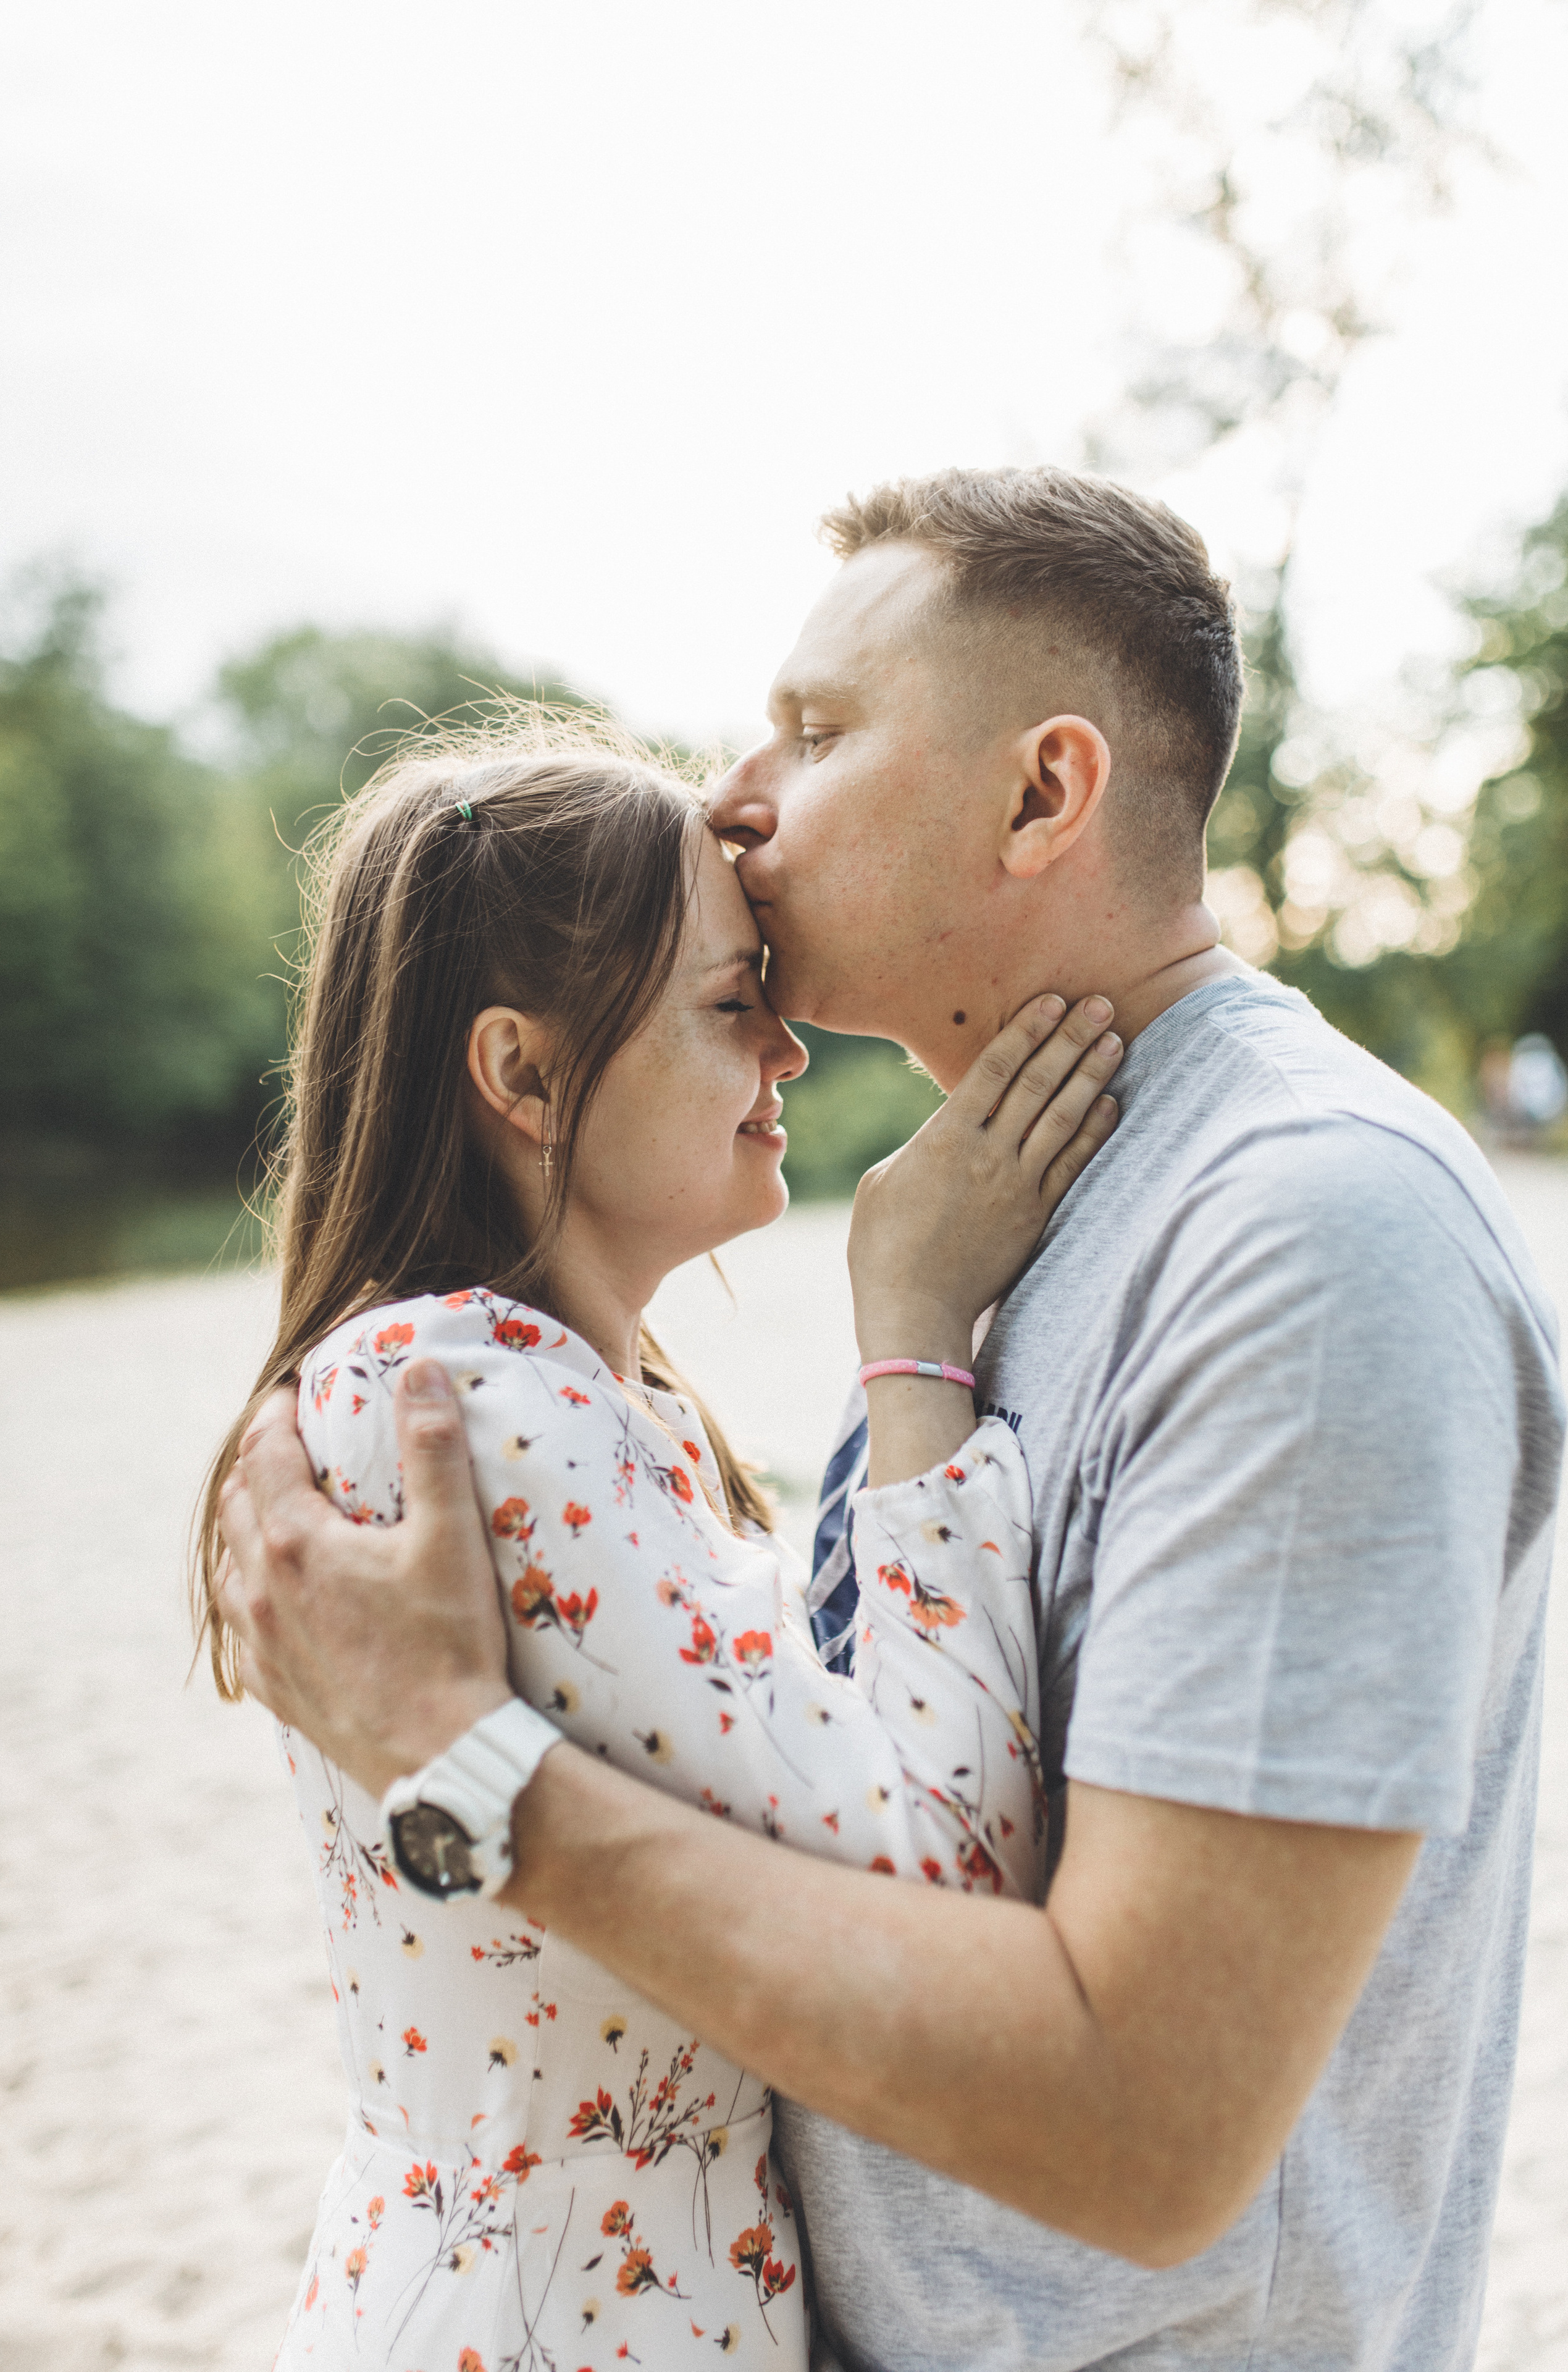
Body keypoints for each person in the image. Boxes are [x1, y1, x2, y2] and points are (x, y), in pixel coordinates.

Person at [217, 466, 1564, 2372]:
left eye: (818, 729)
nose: (736, 788)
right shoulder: (1010, 1207)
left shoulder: (1306, 1235)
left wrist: (465, 1772)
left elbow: (1148, 2126)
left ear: (1043, 794)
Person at [196, 717, 1123, 2368]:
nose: (787, 1048)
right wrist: (914, 1329)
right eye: (727, 998)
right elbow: (951, 1873)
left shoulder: (530, 1387)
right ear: (522, 1073)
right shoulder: (476, 1407)